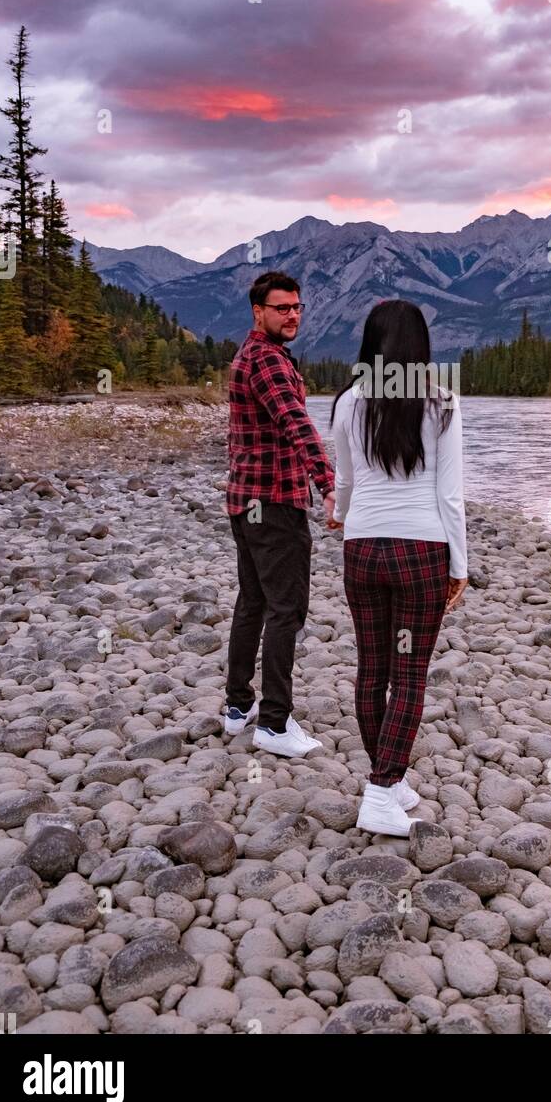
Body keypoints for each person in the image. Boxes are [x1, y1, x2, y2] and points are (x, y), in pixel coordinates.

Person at [328, 300, 468, 835]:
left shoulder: (346, 401)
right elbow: (450, 496)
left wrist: (342, 516)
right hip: (420, 554)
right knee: (408, 675)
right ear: (420, 347)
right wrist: (460, 564)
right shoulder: (441, 401)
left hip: (363, 551)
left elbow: (344, 480)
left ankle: (389, 778)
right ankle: (382, 792)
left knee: (372, 668)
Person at [223, 270, 336, 755]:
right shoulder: (267, 361)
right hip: (274, 503)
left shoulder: (252, 354)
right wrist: (329, 483)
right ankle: (274, 723)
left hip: (246, 501)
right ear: (258, 312)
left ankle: (236, 705)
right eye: (282, 308)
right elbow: (297, 424)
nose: (292, 315)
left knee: (254, 600)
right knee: (286, 609)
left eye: (297, 307)